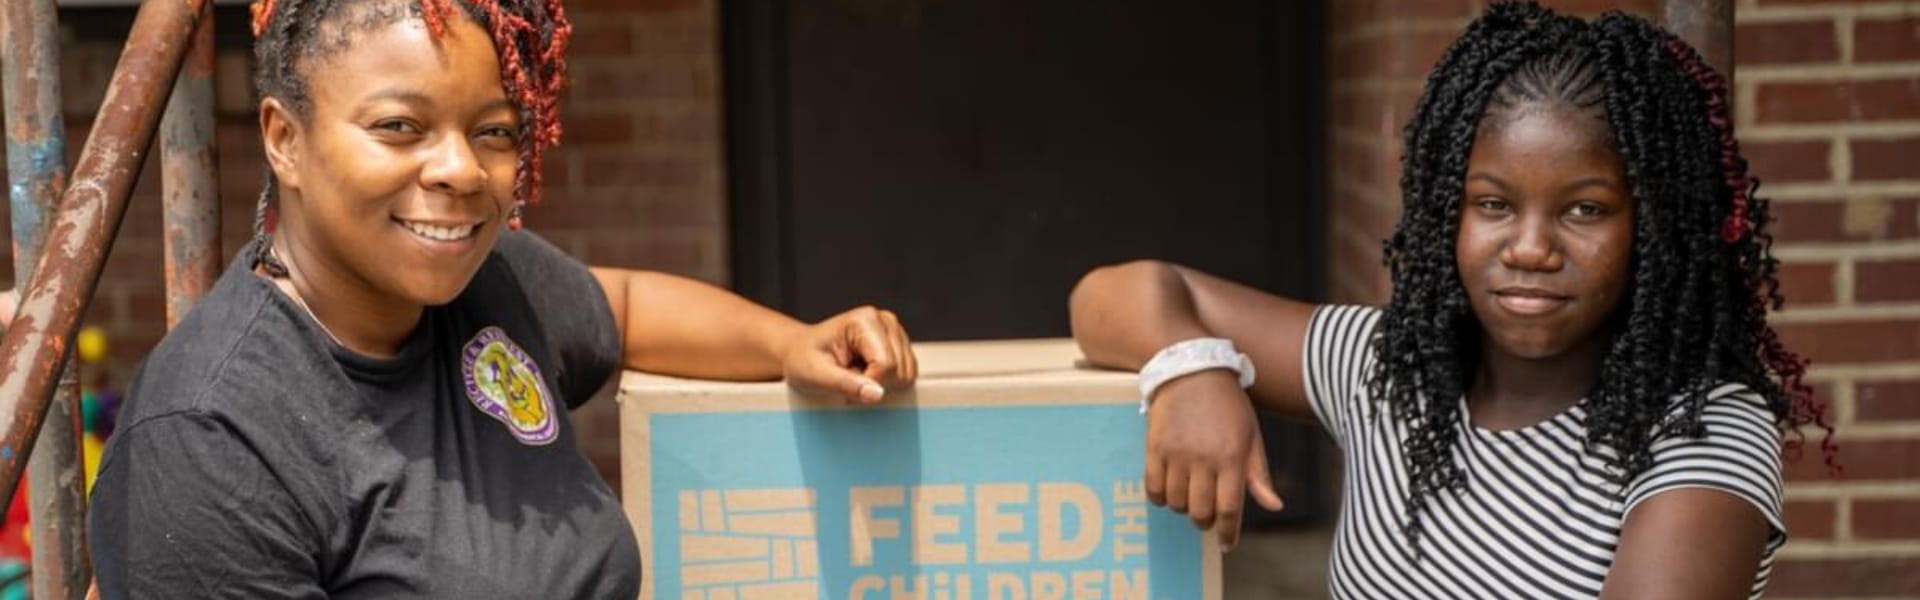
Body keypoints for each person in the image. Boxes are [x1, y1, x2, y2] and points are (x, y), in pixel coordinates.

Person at [83, 0, 918, 597]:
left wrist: (792, 345)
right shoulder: (211, 443)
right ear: (284, 140)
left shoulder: (489, 285)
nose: (460, 170)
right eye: (399, 127)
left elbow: (620, 309)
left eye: (494, 132)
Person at [1069, 3, 1836, 598]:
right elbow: (1111, 296)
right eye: (1493, 204)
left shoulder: (1701, 432)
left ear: (1659, 229)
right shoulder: (1391, 372)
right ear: (1448, 213)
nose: (1530, 248)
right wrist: (1192, 368)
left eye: (1585, 210)